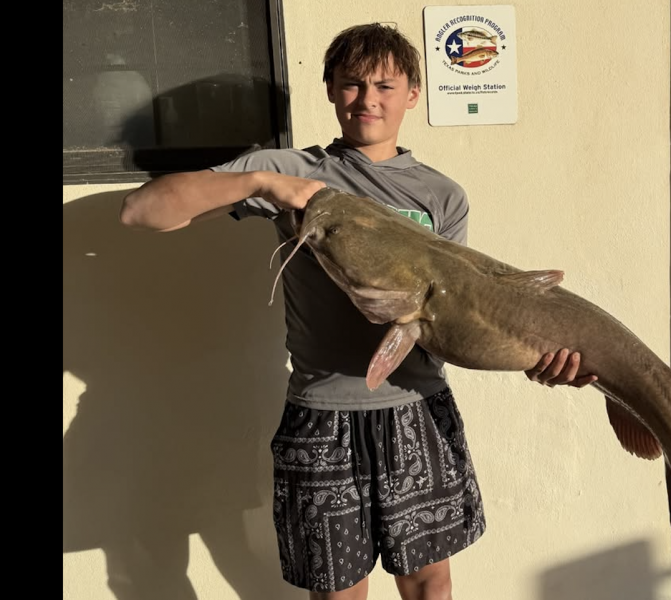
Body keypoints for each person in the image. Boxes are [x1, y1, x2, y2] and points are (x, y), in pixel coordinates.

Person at [119, 23, 596, 600]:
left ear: (412, 95)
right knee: (337, 590)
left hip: (417, 408)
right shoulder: (292, 170)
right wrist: (266, 182)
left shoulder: (442, 195)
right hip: (322, 414)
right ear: (329, 90)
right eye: (351, 83)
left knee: (430, 583)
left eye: (384, 86)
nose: (367, 99)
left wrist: (531, 355)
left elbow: (455, 316)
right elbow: (142, 212)